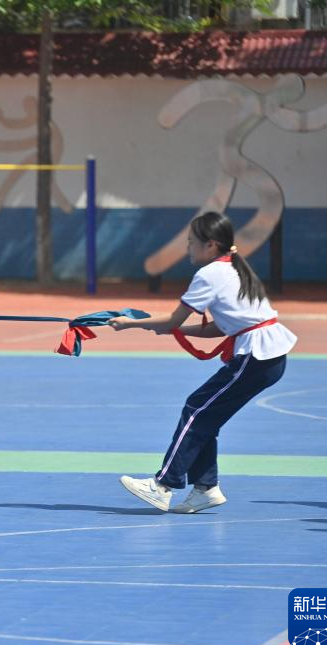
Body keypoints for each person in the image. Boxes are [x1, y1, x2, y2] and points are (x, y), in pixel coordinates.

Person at [108, 211, 296, 513]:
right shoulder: (233, 268)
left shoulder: (210, 274)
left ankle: (162, 485)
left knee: (197, 410)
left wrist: (130, 323)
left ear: (210, 245)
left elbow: (173, 319)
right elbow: (219, 328)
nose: (188, 248)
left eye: (191, 242)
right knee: (205, 414)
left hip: (256, 355)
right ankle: (205, 488)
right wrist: (175, 329)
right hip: (267, 356)